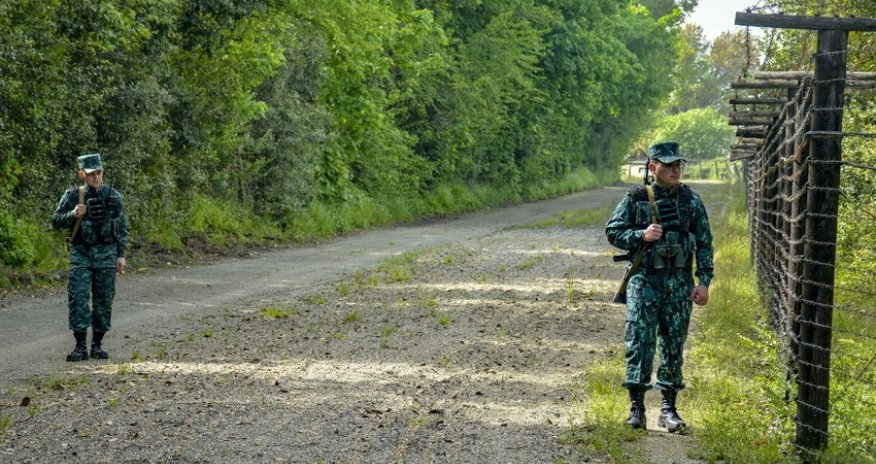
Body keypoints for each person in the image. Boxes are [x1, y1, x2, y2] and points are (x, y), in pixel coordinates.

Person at [604, 141, 714, 432]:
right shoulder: (635, 198)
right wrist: (642, 234)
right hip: (645, 281)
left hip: (679, 283)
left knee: (673, 344)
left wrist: (703, 282)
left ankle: (668, 408)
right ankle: (637, 408)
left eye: (678, 164)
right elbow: (612, 231)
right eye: (669, 165)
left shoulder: (691, 201)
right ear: (653, 167)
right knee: (639, 341)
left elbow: (704, 243)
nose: (675, 170)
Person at [52, 153, 128, 362]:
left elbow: (121, 228)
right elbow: (55, 220)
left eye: (98, 172)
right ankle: (79, 346)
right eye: (91, 174)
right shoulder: (73, 196)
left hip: (106, 254)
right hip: (81, 254)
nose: (95, 177)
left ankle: (97, 344)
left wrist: (120, 255)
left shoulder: (114, 197)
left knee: (103, 300)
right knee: (78, 297)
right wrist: (73, 214)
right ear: (81, 175)